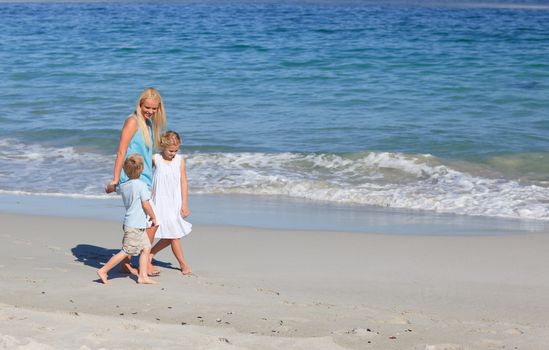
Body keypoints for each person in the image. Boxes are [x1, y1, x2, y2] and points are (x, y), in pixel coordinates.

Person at [106, 87, 166, 275]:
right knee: (151, 222)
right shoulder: (133, 122)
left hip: (144, 178)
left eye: (154, 108)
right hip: (132, 179)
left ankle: (127, 260)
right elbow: (121, 151)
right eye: (147, 107)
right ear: (139, 104)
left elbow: (146, 154)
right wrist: (115, 179)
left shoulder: (147, 124)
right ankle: (143, 261)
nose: (150, 111)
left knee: (141, 221)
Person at [97, 154, 158, 285]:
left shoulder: (124, 186)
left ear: (125, 170)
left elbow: (112, 188)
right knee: (126, 251)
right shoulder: (141, 186)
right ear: (141, 169)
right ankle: (103, 270)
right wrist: (153, 216)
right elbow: (146, 204)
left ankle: (142, 276)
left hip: (134, 223)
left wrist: (109, 186)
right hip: (135, 225)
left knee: (146, 248)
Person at [149, 131, 193, 275]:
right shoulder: (155, 158)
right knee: (173, 234)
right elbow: (145, 176)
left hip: (174, 202)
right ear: (163, 146)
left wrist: (184, 204)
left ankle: (149, 254)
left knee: (173, 233)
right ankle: (183, 264)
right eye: (171, 151)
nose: (173, 153)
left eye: (176, 150)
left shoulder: (180, 160)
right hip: (159, 202)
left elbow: (183, 182)